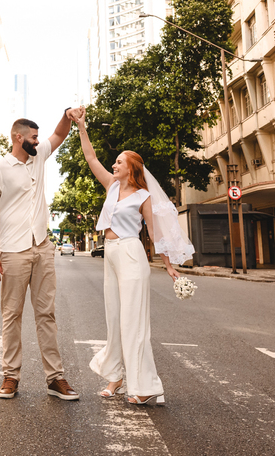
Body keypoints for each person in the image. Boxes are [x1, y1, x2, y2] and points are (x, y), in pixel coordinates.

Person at [71, 106, 194, 406]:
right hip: (111, 255)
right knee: (114, 318)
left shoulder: (143, 196)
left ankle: (143, 385)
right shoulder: (111, 187)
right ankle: (116, 377)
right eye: (114, 161)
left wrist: (168, 265)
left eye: (119, 161)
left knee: (133, 321)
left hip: (131, 254)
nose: (113, 164)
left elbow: (154, 233)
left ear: (131, 168)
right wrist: (81, 127)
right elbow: (90, 158)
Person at [0, 113, 80, 401]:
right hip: (13, 250)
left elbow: (59, 135)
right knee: (11, 315)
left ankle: (55, 378)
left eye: (38, 137)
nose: (38, 141)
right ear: (18, 138)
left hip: (42, 247)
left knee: (46, 314)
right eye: (34, 137)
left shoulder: (38, 157)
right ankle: (10, 376)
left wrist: (66, 116)